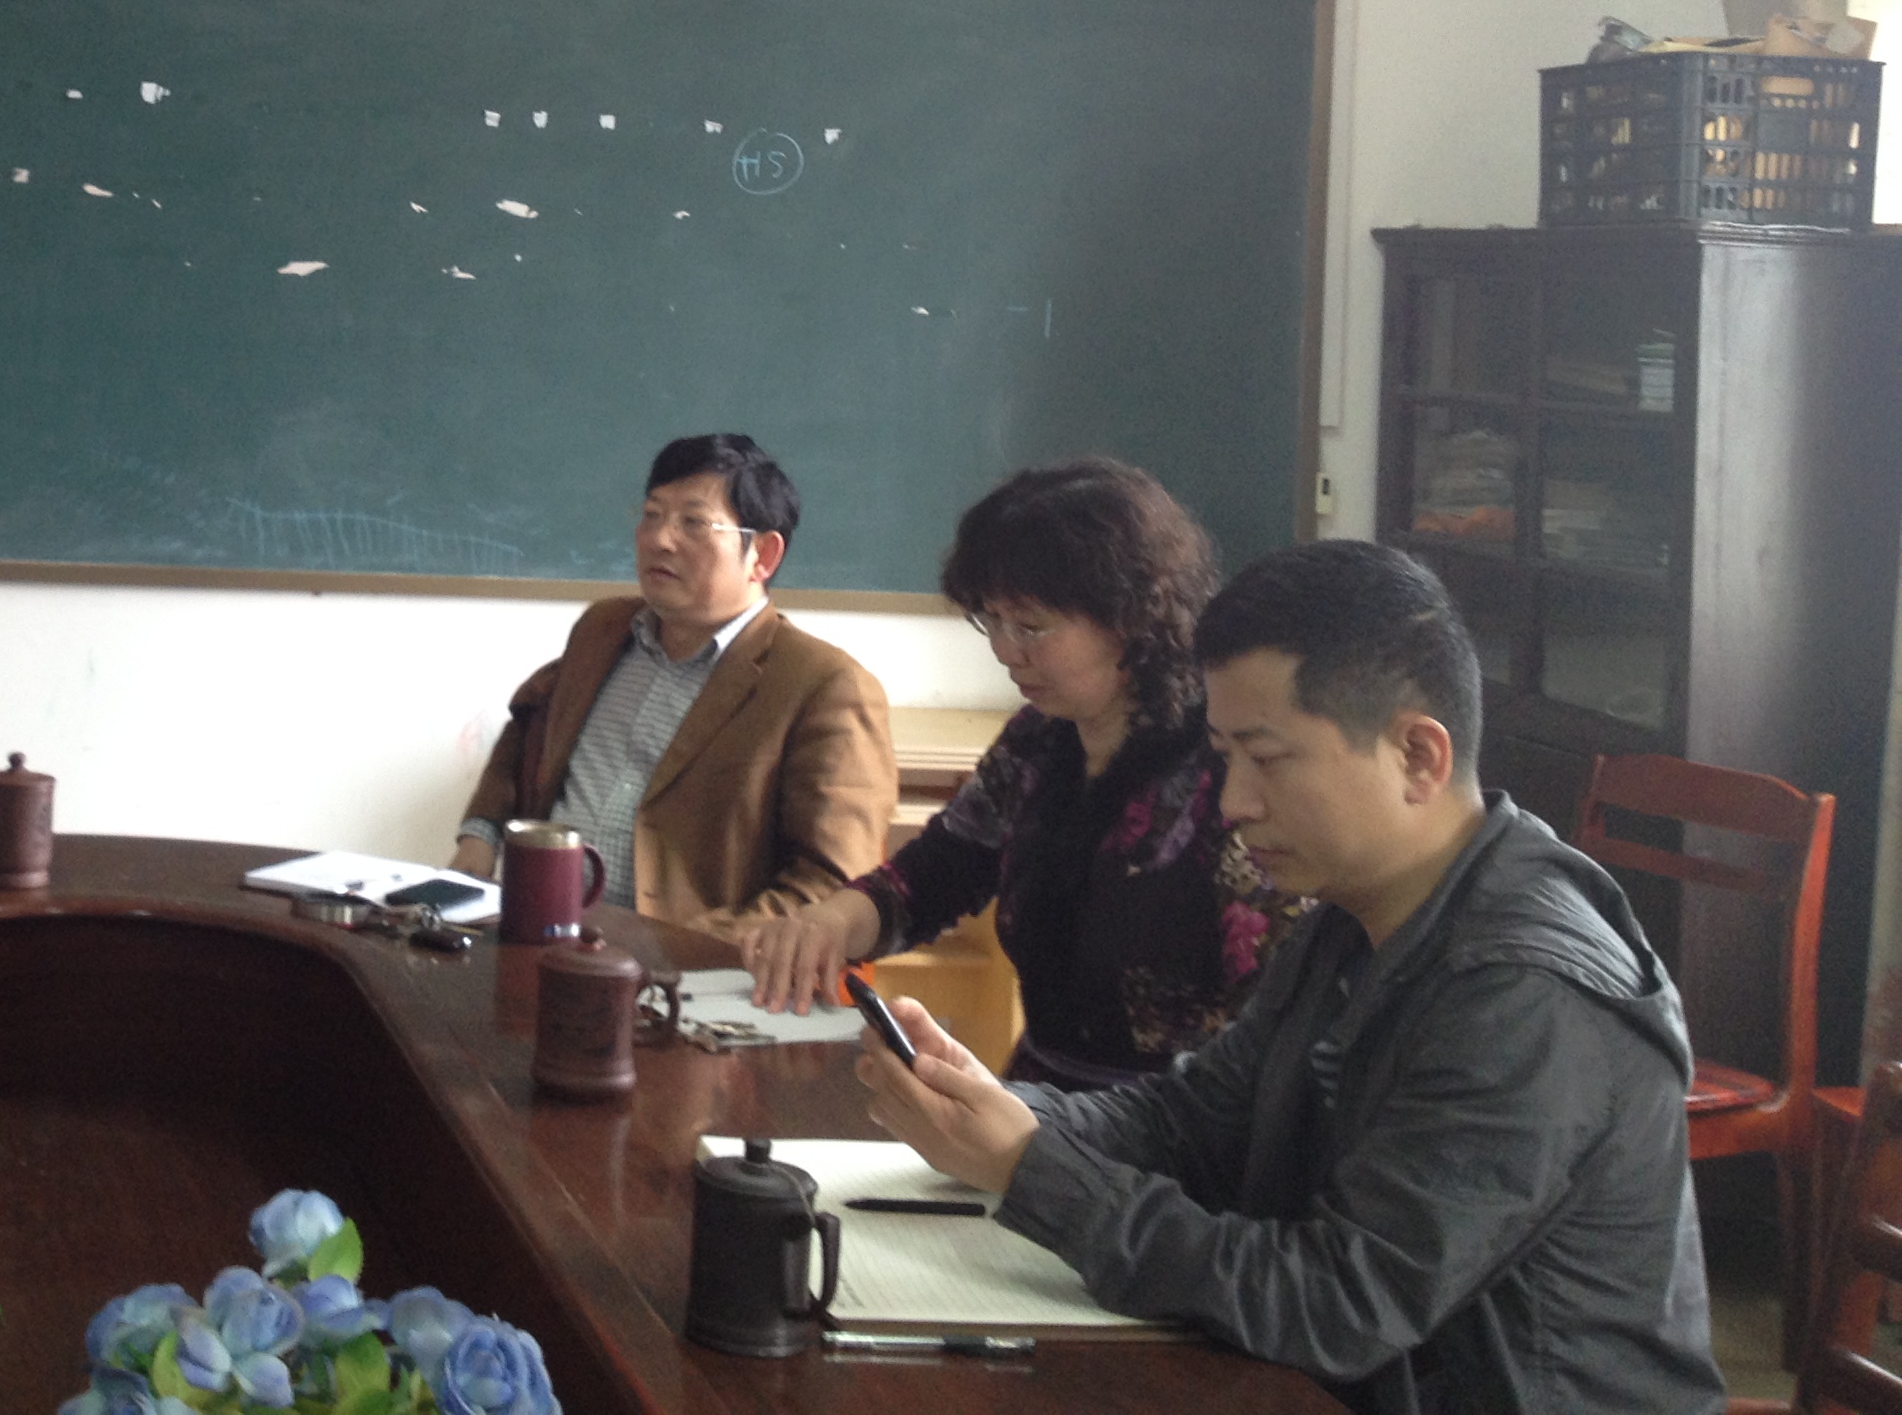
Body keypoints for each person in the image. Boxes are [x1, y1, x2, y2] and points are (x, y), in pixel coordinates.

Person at [851, 540, 1726, 1415]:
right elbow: (1190, 1123)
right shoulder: (1357, 911)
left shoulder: (1525, 991)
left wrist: (1030, 1170)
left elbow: (1337, 1305)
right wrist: (999, 1112)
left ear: (1418, 757)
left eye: (1267, 759)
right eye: (1224, 757)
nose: (1233, 803)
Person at [741, 458, 1308, 1083]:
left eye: (1032, 627)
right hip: (1037, 1098)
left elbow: (1271, 1036)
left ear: (1132, 618)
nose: (1005, 650)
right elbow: (938, 871)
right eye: (992, 620)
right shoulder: (1040, 739)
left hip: (1180, 1119)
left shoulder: (1226, 767)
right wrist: (836, 920)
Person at [451, 433, 896, 936]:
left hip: (688, 969)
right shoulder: (602, 630)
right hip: (539, 933)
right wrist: (480, 836)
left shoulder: (825, 687)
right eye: (652, 515)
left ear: (763, 555)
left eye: (693, 522)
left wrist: (674, 949)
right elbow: (529, 730)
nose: (660, 539)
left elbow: (831, 886)